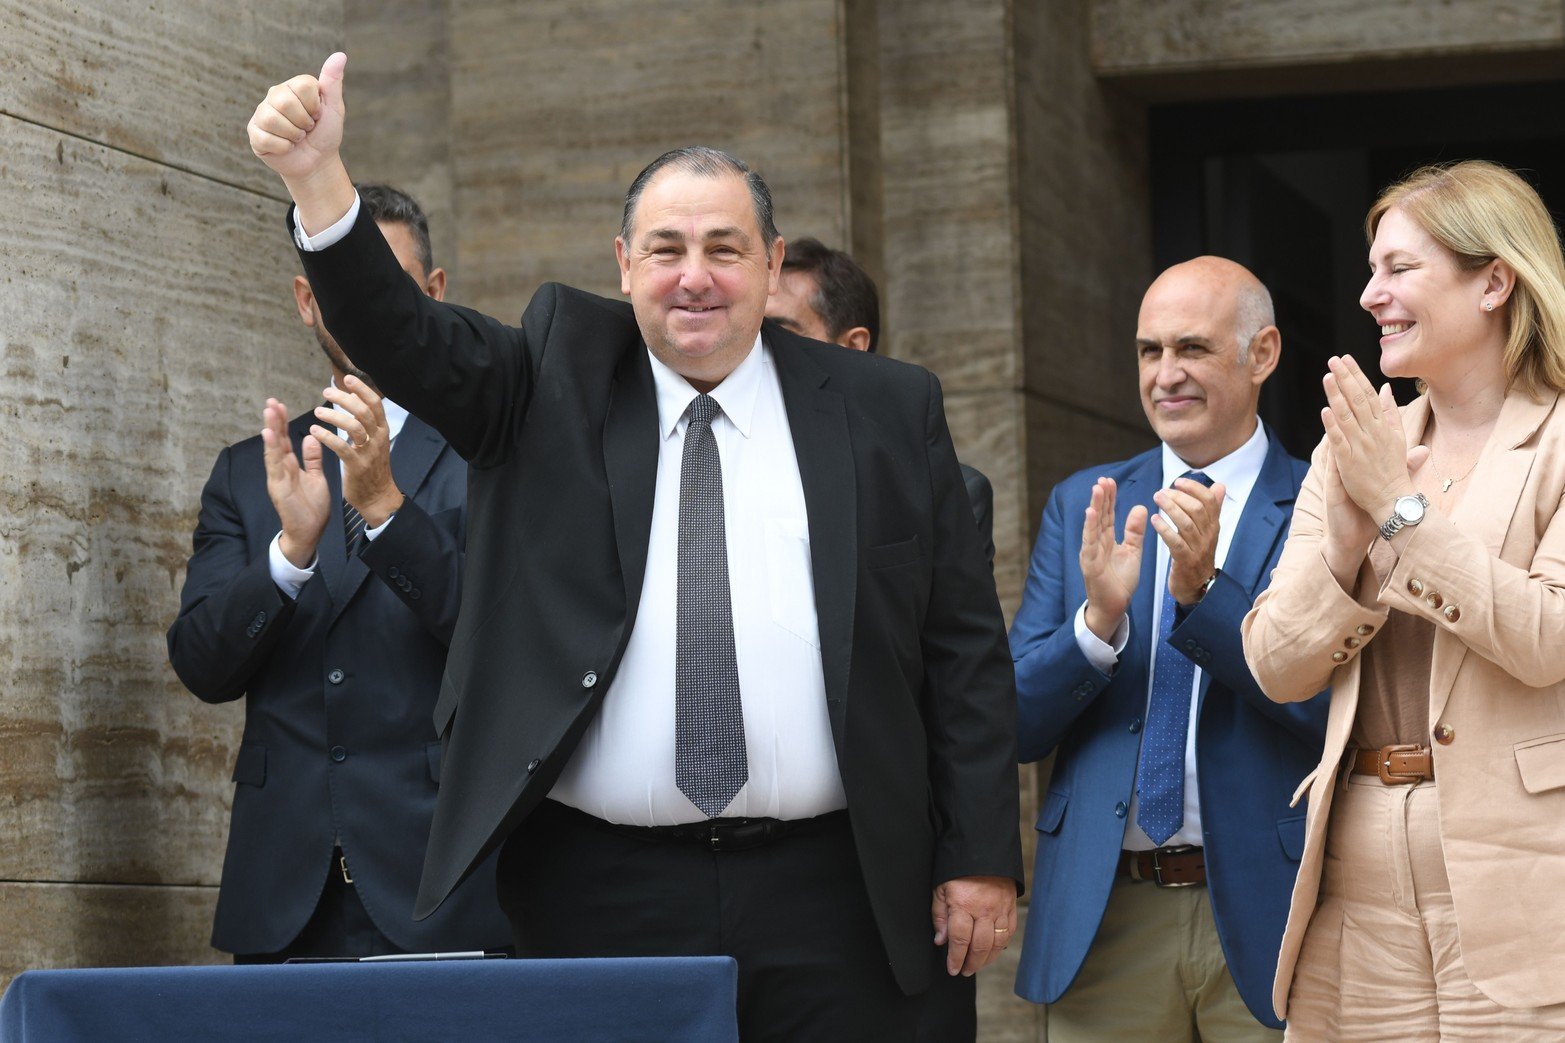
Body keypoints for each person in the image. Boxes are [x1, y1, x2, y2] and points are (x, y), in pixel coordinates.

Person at [245, 54, 1022, 1039]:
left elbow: (961, 648)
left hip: (844, 889)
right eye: (665, 249)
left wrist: (978, 854)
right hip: (599, 890)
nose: (694, 276)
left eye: (724, 248)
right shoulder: (547, 378)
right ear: (622, 264)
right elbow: (399, 332)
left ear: (772, 263)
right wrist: (318, 179)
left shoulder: (884, 407)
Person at [1242, 160, 1565, 1038]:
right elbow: (1273, 665)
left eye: (1398, 267)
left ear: (1493, 282)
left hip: (1525, 878)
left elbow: (1547, 635)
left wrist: (1398, 511)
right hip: (1358, 879)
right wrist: (1343, 549)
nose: (1368, 294)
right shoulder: (1354, 445)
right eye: (1369, 269)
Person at [166, 184, 509, 961]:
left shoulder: (489, 457)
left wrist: (387, 509)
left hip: (440, 884)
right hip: (283, 893)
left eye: (385, 284)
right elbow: (202, 665)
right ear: (305, 300)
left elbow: (506, 647)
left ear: (433, 293)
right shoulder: (247, 472)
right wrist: (288, 555)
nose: (360, 307)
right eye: (337, 285)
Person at [1009, 256, 1328, 1040]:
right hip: (1106, 913)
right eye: (1149, 351)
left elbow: (1326, 709)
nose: (1164, 374)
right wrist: (1096, 625)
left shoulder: (1321, 503)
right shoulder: (1085, 503)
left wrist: (1202, 599)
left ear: (1262, 354)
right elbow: (1012, 720)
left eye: (1191, 348)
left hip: (1268, 908)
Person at [767, 237, 995, 570]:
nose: (762, 350)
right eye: (757, 335)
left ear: (853, 345)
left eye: (783, 333)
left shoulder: (939, 493)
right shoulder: (719, 466)